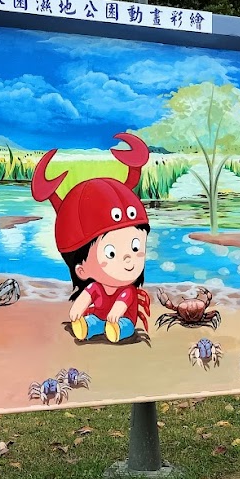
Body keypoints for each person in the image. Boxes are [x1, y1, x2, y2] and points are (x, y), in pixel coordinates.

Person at [31, 132, 152, 343]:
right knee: (92, 320)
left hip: (122, 318)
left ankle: (115, 330)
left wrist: (117, 311)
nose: (128, 258)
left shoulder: (127, 291)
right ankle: (89, 327)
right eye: (111, 253)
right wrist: (78, 307)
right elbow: (86, 296)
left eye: (135, 247)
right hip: (100, 315)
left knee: (122, 325)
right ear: (82, 269)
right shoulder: (95, 287)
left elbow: (123, 301)